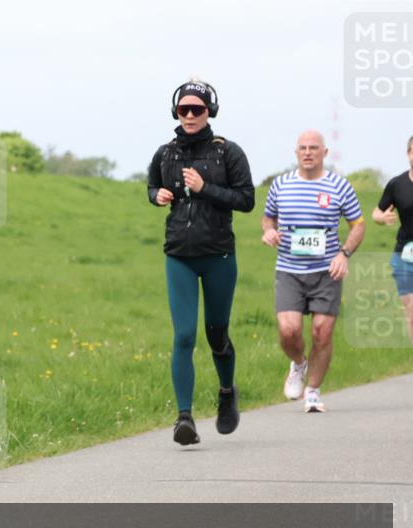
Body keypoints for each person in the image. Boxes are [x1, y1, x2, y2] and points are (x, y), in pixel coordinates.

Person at [147, 80, 255, 446]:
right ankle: (184, 418)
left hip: (219, 255)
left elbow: (246, 200)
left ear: (211, 112)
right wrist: (157, 194)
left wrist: (204, 187)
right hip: (179, 254)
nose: (190, 115)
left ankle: (227, 392)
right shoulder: (165, 153)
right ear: (175, 112)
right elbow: (152, 186)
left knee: (216, 334)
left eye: (198, 109)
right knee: (183, 335)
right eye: (184, 110)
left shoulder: (229, 153)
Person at [261, 130, 366, 413]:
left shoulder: (339, 186)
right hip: (289, 270)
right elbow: (268, 217)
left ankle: (313, 391)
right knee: (288, 330)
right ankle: (298, 363)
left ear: (324, 153)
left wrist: (344, 255)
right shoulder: (281, 185)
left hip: (326, 271)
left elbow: (358, 225)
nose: (308, 152)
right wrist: (269, 231)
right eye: (303, 148)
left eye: (314, 148)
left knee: (322, 332)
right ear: (296, 152)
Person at [372, 135, 413, 344]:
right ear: (409, 154)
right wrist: (382, 217)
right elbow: (376, 213)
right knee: (411, 310)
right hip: (405, 257)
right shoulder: (397, 184)